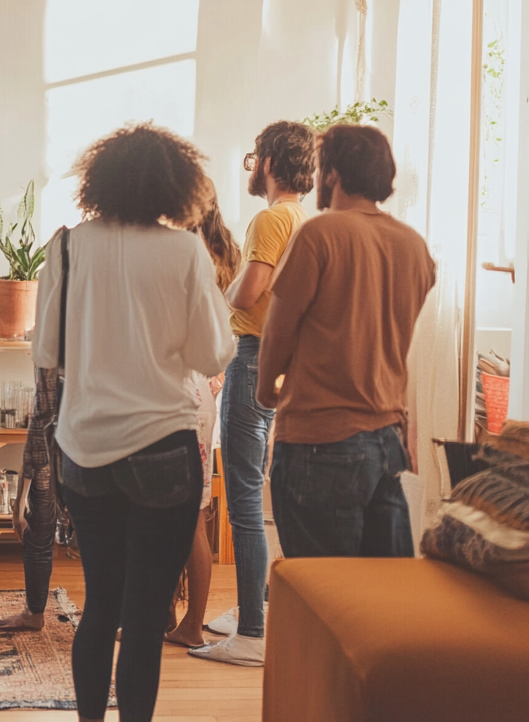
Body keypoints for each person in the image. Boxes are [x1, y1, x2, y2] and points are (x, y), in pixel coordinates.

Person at [32, 123, 234, 722]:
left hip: (86, 448)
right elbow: (211, 356)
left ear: (102, 180)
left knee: (101, 605)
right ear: (176, 186)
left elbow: (47, 352)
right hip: (163, 451)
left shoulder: (67, 245)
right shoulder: (185, 251)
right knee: (144, 618)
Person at [258, 124, 434, 558]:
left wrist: (266, 392)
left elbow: (277, 333)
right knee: (380, 599)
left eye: (322, 168)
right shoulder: (414, 247)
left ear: (333, 173)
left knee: (321, 597)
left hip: (320, 439)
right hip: (385, 440)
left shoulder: (320, 235)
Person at [196, 119, 315, 667]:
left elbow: (251, 288)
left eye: (254, 158)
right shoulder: (302, 218)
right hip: (284, 365)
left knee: (241, 498)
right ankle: (257, 608)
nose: (251, 167)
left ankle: (250, 632)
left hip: (252, 359)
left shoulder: (271, 217)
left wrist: (217, 305)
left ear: (268, 162)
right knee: (258, 495)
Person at [165, 191, 240, 649]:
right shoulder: (220, 254)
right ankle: (169, 617)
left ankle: (191, 624)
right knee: (181, 516)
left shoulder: (190, 259)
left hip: (183, 395)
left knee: (187, 520)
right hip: (197, 394)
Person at [0, 366, 60, 633]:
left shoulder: (54, 333)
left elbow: (43, 416)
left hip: (60, 449)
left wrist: (20, 499)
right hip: (109, 444)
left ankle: (33, 614)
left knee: (36, 531)